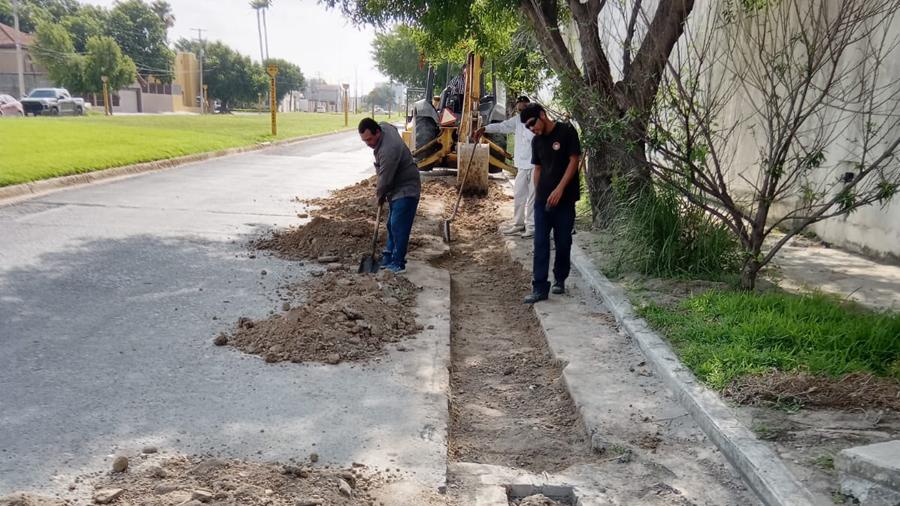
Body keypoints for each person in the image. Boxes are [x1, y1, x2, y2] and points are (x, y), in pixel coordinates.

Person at [519, 103, 581, 304]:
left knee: (563, 241)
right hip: (543, 201)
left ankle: (560, 278)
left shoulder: (567, 132)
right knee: (540, 242)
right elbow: (537, 169)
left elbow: (574, 161)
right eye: (527, 127)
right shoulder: (536, 142)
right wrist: (538, 195)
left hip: (565, 199)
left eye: (532, 123)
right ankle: (539, 287)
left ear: (542, 115)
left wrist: (560, 188)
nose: (531, 129)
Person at [358, 117, 422, 274]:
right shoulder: (385, 127)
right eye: (365, 141)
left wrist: (379, 195)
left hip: (407, 188)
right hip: (396, 187)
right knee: (391, 225)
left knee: (398, 226)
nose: (368, 144)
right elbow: (391, 126)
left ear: (378, 132)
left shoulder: (388, 151)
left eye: (370, 139)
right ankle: (388, 257)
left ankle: (398, 263)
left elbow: (384, 180)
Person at [474, 95, 536, 238]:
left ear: (529, 106)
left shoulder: (536, 122)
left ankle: (532, 228)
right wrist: (484, 128)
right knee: (519, 195)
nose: (522, 111)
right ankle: (518, 224)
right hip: (522, 165)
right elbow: (502, 126)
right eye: (519, 109)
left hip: (535, 165)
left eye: (524, 108)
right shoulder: (517, 120)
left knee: (533, 197)